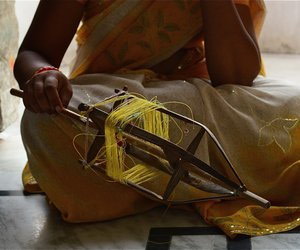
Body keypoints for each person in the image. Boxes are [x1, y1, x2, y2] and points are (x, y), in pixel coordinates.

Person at [13, 0, 300, 237]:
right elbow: (35, 52)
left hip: (195, 94)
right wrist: (42, 75)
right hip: (114, 98)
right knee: (44, 122)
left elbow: (236, 77)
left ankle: (146, 184)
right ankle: (200, 178)